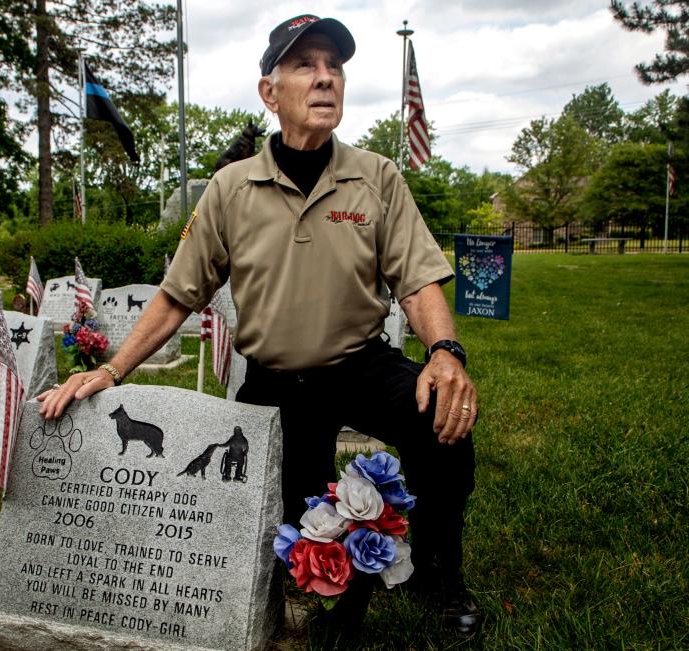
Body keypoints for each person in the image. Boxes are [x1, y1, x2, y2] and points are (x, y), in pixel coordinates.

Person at [38, 13, 480, 639]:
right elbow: (177, 296)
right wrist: (111, 369)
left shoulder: (377, 176)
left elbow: (417, 279)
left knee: (444, 423)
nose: (326, 78)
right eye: (306, 65)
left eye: (335, 66)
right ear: (270, 92)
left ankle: (438, 571)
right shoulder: (229, 189)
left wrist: (444, 350)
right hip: (274, 382)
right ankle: (323, 582)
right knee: (295, 524)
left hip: (360, 363)